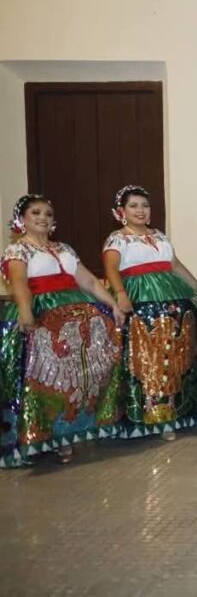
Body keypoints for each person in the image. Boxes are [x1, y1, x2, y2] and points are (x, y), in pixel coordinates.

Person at [1, 194, 124, 466]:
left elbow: (89, 282)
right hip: (43, 315)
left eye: (48, 213)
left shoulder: (64, 249)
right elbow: (19, 282)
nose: (43, 218)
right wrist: (26, 311)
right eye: (36, 213)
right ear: (22, 219)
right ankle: (42, 437)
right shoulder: (17, 250)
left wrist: (113, 304)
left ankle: (71, 432)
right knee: (42, 377)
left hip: (75, 314)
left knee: (83, 375)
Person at [103, 185, 197, 440]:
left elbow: (174, 264)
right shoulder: (117, 238)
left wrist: (196, 285)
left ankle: (176, 411)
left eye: (145, 206)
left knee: (175, 352)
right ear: (121, 211)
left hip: (171, 297)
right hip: (140, 300)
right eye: (134, 206)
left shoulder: (159, 235)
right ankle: (150, 416)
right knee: (148, 357)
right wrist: (121, 294)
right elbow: (111, 268)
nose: (140, 210)